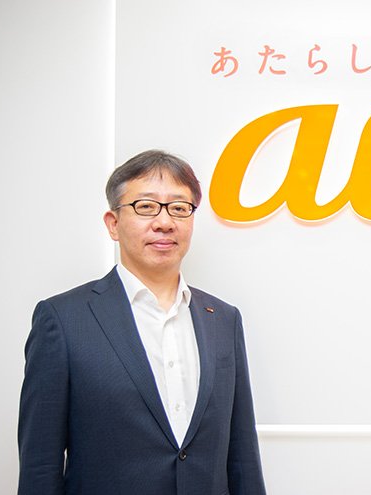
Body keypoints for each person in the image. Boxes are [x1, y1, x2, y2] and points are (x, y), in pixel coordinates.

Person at [17, 150, 266, 495]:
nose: (165, 222)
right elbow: (40, 465)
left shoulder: (224, 319)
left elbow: (242, 457)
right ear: (113, 224)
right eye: (146, 206)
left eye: (179, 208)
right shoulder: (63, 320)